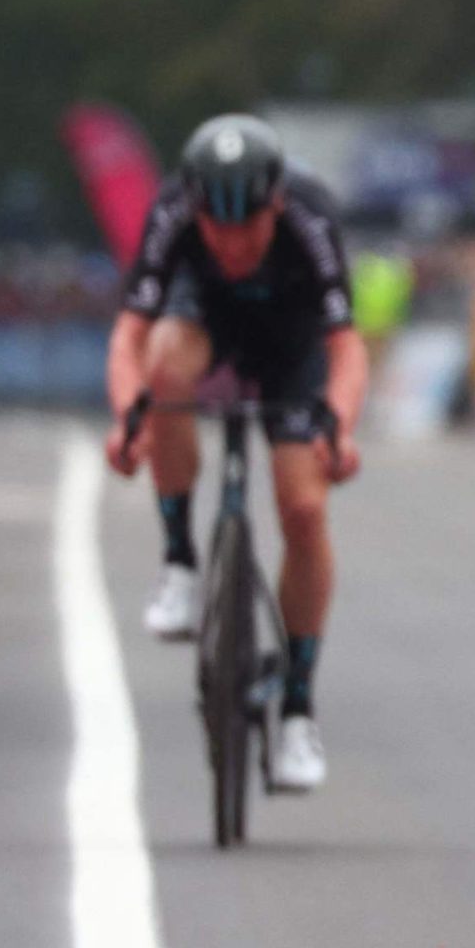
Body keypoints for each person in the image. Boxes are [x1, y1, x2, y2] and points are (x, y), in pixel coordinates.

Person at [104, 114, 369, 791]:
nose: (230, 241)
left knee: (303, 508)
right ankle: (179, 563)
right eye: (215, 226)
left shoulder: (312, 218)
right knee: (165, 367)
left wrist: (339, 425)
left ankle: (299, 712)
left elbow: (346, 348)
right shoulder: (171, 214)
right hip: (205, 325)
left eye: (247, 223)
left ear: (276, 203)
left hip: (293, 346)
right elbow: (129, 336)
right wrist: (129, 419)